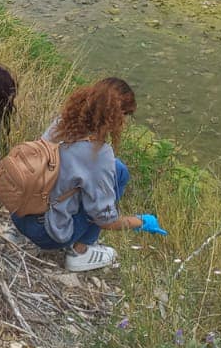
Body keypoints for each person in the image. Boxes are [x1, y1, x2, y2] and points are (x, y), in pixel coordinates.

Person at [9, 78, 165, 273]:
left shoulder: (62, 123)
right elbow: (105, 220)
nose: (124, 122)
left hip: (19, 214)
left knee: (118, 170)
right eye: (125, 115)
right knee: (113, 181)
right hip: (45, 234)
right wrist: (141, 222)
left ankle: (17, 231)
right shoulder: (99, 155)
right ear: (114, 116)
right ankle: (80, 252)